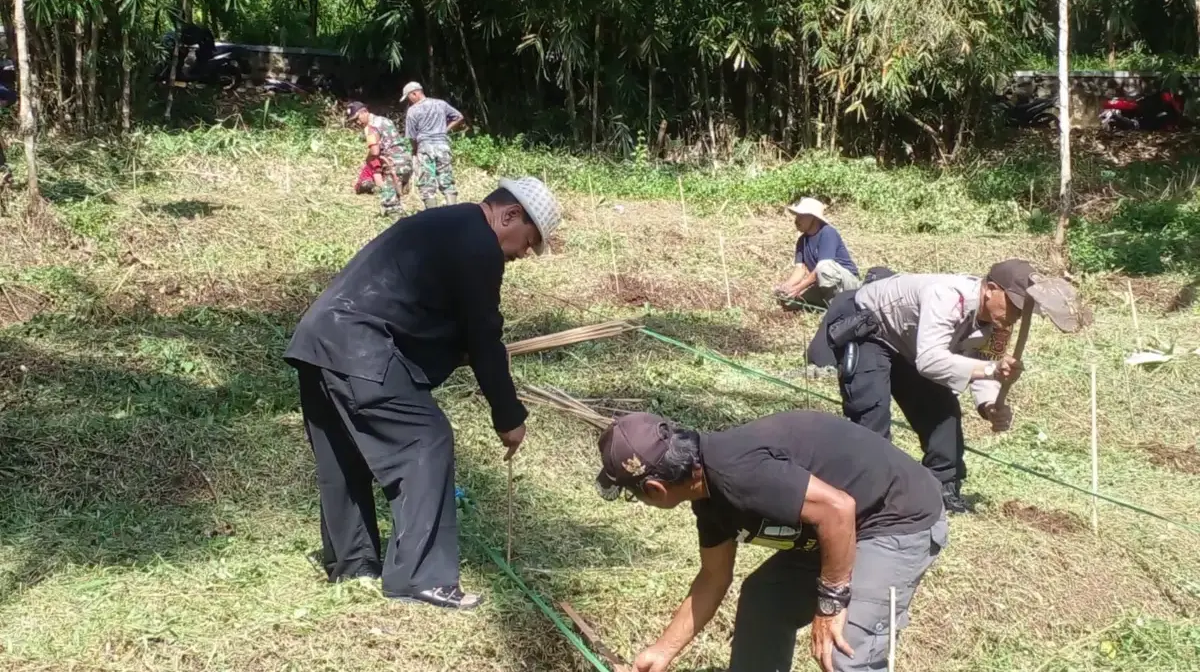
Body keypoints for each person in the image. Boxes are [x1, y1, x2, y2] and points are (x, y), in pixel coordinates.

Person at [284, 177, 562, 610]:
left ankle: (353, 566)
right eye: (528, 241)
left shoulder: (449, 225)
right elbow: (485, 338)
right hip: (360, 344)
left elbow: (431, 310)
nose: (525, 253)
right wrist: (509, 416)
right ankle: (421, 577)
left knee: (345, 455)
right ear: (509, 216)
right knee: (426, 438)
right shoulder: (479, 244)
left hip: (319, 339)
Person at [594, 410, 948, 672]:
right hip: (831, 530)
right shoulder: (707, 494)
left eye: (631, 494)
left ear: (655, 490)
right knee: (764, 600)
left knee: (842, 652)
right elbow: (713, 577)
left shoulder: (738, 474)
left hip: (893, 516)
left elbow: (839, 509)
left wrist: (831, 603)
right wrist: (662, 651)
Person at [821, 259, 1054, 514]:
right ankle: (869, 494)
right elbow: (931, 361)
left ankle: (943, 489)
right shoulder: (948, 296)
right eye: (1013, 305)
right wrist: (992, 370)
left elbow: (982, 362)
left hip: (914, 348)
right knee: (871, 414)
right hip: (874, 330)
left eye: (1022, 311)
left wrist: (989, 406)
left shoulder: (1000, 325)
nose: (1016, 315)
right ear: (990, 289)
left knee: (943, 412)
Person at [774, 198, 861, 309]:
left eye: (801, 216)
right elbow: (799, 269)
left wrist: (800, 287)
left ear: (813, 218)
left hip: (847, 283)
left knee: (825, 268)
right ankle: (832, 305)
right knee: (791, 302)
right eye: (797, 216)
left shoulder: (827, 232)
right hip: (824, 284)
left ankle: (840, 309)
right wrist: (786, 287)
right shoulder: (802, 241)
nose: (797, 220)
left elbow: (822, 268)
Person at [402, 82, 465, 209]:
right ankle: (453, 211)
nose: (409, 100)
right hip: (443, 146)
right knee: (446, 179)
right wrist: (444, 130)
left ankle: (432, 215)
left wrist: (414, 150)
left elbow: (412, 137)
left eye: (409, 97)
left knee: (427, 184)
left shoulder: (413, 111)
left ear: (415, 93)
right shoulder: (440, 104)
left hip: (425, 148)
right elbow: (459, 117)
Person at [346, 101, 412, 216]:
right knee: (396, 197)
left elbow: (375, 151)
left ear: (365, 112)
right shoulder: (384, 120)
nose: (357, 122)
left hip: (393, 163)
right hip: (406, 160)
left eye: (357, 118)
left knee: (390, 204)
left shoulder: (370, 128)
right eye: (354, 121)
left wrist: (368, 160)